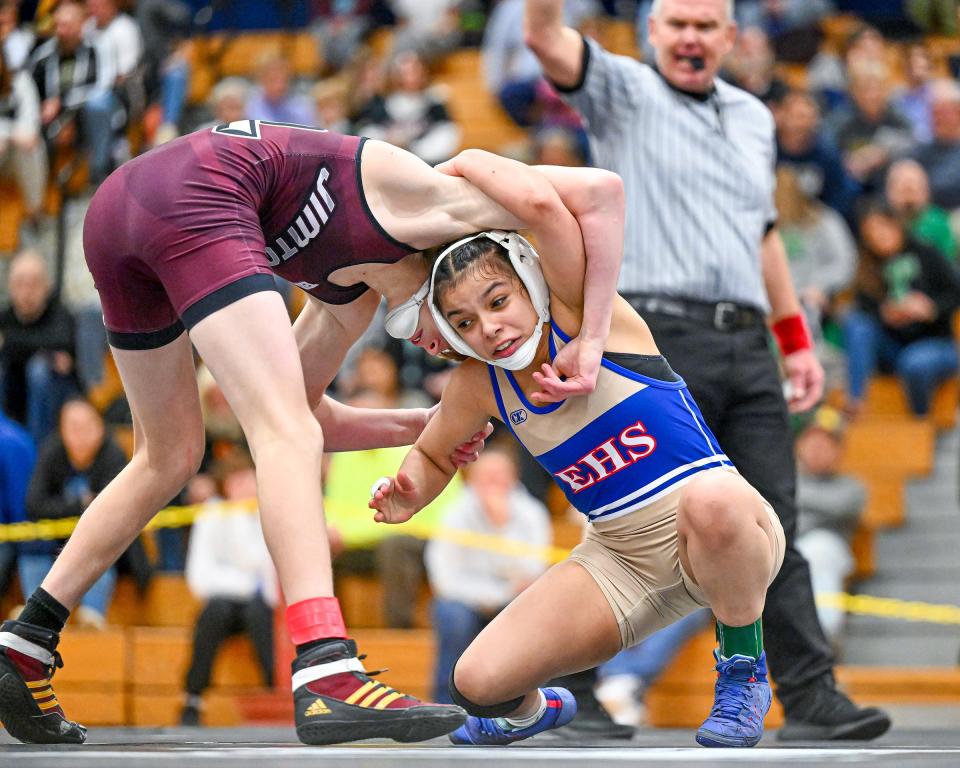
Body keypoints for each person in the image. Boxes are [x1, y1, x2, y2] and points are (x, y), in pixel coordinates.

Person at [0, 119, 625, 745]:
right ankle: (326, 665)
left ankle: (25, 643)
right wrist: (592, 339)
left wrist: (420, 427)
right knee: (281, 434)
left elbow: (305, 412)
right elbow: (597, 192)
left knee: (168, 455)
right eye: (461, 324)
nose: (453, 346)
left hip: (120, 214)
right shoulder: (429, 207)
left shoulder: (350, 296)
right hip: (194, 191)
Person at [523, 0, 891, 741]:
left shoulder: (755, 117)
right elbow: (542, 36)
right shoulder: (624, 90)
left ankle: (810, 695)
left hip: (747, 337)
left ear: (731, 36)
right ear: (653, 32)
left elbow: (763, 235)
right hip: (654, 335)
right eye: (678, 23)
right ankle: (572, 692)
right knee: (628, 518)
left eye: (706, 25)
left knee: (773, 524)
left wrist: (794, 340)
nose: (691, 37)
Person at [370, 147, 787, 748]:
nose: (488, 327)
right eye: (462, 322)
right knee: (477, 681)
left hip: (719, 536)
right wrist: (411, 492)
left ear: (532, 286)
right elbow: (435, 454)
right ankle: (539, 709)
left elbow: (541, 205)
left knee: (715, 501)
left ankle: (743, 669)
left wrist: (457, 164)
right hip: (619, 563)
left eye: (497, 301)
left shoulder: (585, 315)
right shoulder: (476, 383)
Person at [425, 444, 550, 704]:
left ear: (513, 477)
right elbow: (444, 579)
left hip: (512, 602)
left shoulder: (532, 513)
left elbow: (532, 574)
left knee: (534, 614)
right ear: (472, 478)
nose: (493, 482)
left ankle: (519, 702)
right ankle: (446, 702)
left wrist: (501, 527)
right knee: (450, 614)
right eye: (486, 476)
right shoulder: (454, 513)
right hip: (467, 601)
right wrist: (492, 595)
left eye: (499, 475)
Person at [179, 450, 277, 726]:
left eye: (250, 481)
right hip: (225, 603)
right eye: (238, 482)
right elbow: (200, 578)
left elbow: (270, 570)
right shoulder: (212, 514)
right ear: (225, 486)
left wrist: (250, 583)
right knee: (214, 612)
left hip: (262, 605)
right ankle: (192, 699)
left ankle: (278, 693)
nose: (246, 488)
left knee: (260, 612)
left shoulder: (270, 514)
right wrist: (247, 583)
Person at [841, 199, 960, 417]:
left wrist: (929, 308)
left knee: (915, 362)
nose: (878, 236)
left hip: (936, 342)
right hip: (893, 345)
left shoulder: (926, 252)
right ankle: (856, 401)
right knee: (855, 323)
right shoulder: (867, 266)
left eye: (882, 227)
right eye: (871, 232)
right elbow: (863, 308)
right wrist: (885, 313)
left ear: (896, 224)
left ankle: (919, 421)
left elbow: (954, 292)